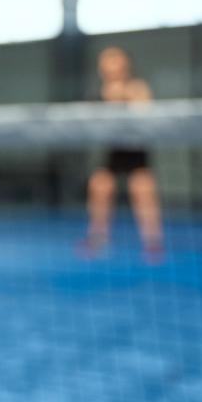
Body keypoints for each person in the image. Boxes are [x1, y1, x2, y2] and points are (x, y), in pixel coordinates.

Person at [81, 46, 164, 263]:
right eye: (106, 61)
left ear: (125, 64)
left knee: (143, 190)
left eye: (114, 59)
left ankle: (152, 243)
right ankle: (97, 238)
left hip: (136, 152)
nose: (110, 64)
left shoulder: (138, 87)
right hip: (112, 153)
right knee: (99, 186)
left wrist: (124, 97)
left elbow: (144, 111)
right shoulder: (97, 92)